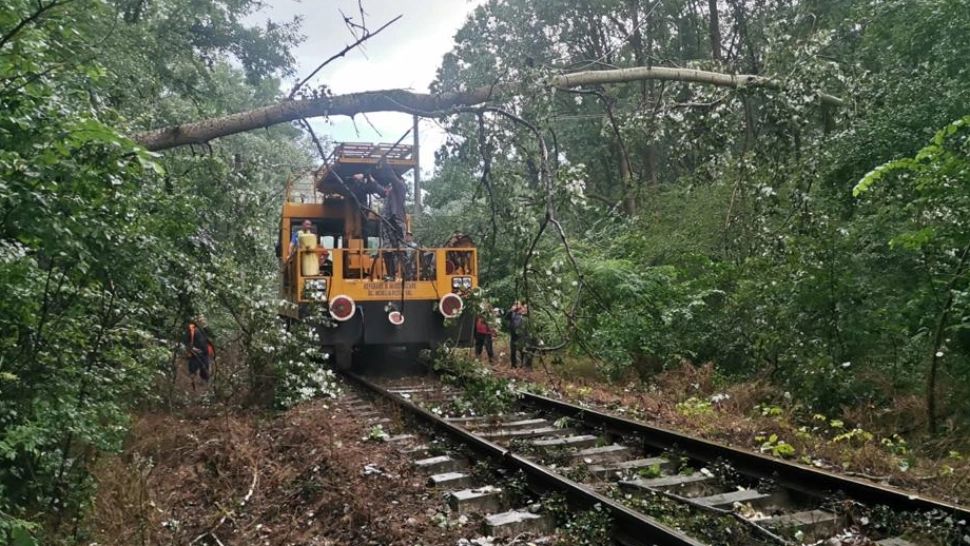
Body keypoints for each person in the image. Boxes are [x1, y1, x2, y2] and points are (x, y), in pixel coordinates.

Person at [183, 319, 211, 388]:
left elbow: (210, 335)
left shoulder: (203, 329)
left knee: (205, 369)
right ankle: (191, 386)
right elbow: (186, 342)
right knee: (192, 371)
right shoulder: (191, 330)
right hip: (195, 354)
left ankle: (205, 386)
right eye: (199, 320)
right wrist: (192, 349)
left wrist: (205, 324)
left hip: (204, 353)